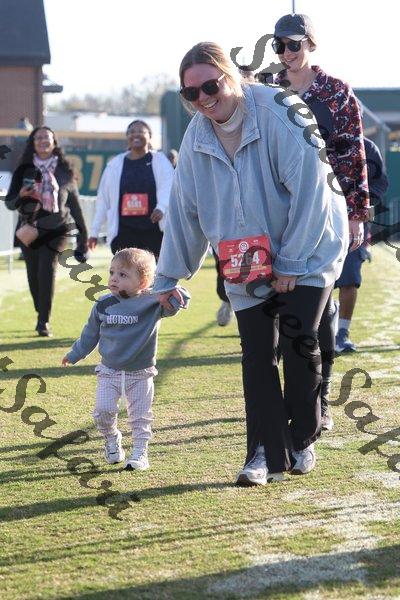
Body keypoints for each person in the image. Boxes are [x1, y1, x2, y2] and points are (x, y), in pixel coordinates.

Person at [153, 41, 349, 485]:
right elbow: (184, 207)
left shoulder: (282, 111)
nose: (204, 99)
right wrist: (167, 276)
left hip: (311, 242)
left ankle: (303, 436)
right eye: (191, 93)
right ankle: (263, 454)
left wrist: (292, 263)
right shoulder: (197, 136)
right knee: (257, 354)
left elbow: (312, 192)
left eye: (211, 86)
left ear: (231, 76)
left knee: (299, 344)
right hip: (246, 255)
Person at [272, 13, 370, 430]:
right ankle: (283, 399)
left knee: (320, 308)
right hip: (277, 212)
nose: (286, 52)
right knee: (280, 312)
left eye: (293, 44)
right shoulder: (267, 88)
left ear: (310, 43)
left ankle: (321, 398)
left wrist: (356, 214)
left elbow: (352, 154)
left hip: (327, 212)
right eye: (279, 45)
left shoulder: (336, 91)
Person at [62, 247, 189, 470]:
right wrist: (75, 354)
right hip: (109, 372)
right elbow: (90, 335)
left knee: (140, 417)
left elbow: (178, 302)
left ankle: (140, 452)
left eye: (123, 274)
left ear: (143, 282)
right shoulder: (102, 304)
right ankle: (112, 439)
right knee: (102, 412)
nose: (114, 278)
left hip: (140, 374)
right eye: (112, 272)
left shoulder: (153, 302)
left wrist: (172, 290)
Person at [5, 126, 88, 337]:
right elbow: (10, 203)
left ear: (54, 142)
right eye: (38, 137)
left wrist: (83, 239)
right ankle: (40, 310)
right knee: (33, 275)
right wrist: (21, 194)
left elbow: (76, 208)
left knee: (46, 270)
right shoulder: (24, 171)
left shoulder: (64, 171)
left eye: (47, 138)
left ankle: (44, 321)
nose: (43, 141)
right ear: (33, 143)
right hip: (29, 231)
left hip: (56, 230)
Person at [88, 120, 174, 258]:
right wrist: (94, 232)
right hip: (123, 233)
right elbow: (103, 200)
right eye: (132, 132)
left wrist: (161, 207)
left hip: (153, 232)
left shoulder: (160, 161)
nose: (136, 135)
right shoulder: (114, 165)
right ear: (127, 136)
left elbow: (169, 186)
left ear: (150, 136)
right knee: (125, 270)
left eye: (141, 131)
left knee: (151, 270)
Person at [335, 135, 388, 353]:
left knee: (349, 279)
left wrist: (361, 204)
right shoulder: (318, 140)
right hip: (320, 221)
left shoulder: (367, 147)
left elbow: (380, 183)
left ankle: (341, 333)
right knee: (316, 281)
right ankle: (320, 330)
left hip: (354, 224)